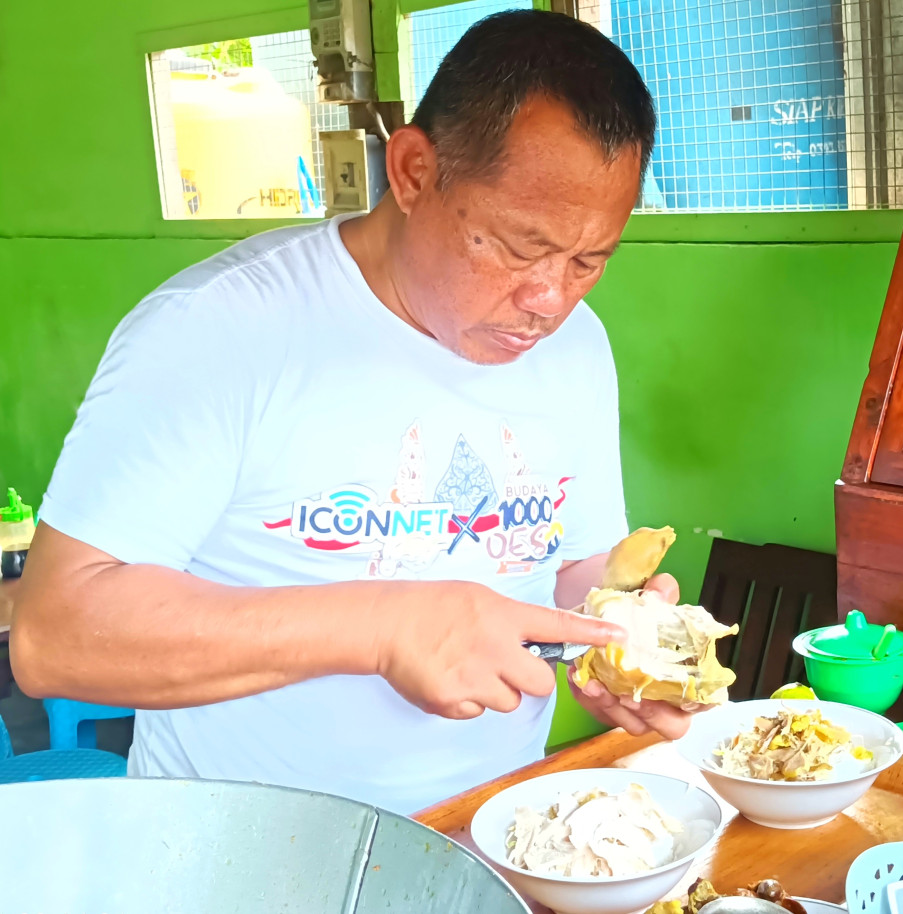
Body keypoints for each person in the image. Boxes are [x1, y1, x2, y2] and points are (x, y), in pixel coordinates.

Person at [11, 10, 689, 815]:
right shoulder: (222, 328)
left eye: (588, 260)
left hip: (491, 831)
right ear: (413, 170)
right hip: (247, 849)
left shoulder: (577, 346)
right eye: (518, 246)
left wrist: (613, 634)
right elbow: (54, 637)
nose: (549, 300)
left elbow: (571, 567)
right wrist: (380, 627)